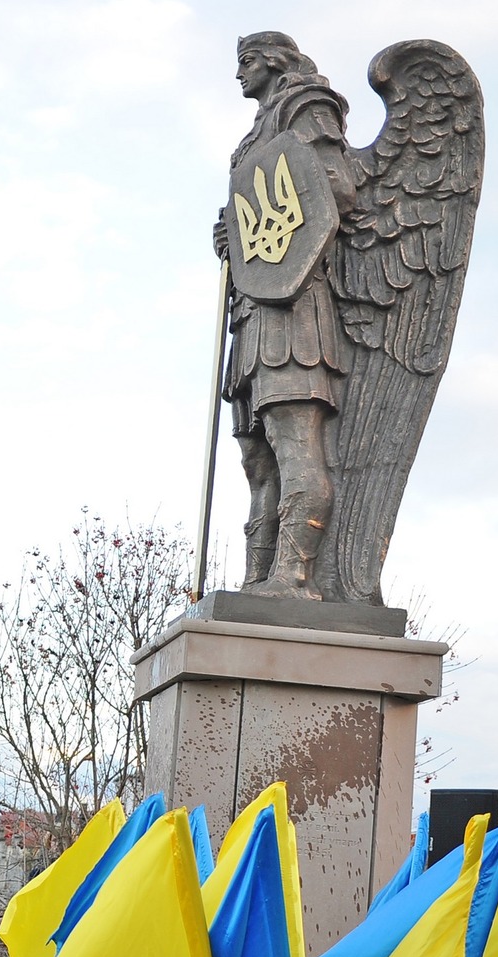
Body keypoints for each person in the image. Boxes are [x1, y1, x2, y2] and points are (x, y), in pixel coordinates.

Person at [215, 31, 357, 598]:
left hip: (295, 307)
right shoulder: (255, 133)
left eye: (246, 62)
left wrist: (261, 226)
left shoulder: (306, 107)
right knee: (257, 457)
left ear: (275, 61)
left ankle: (293, 579)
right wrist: (232, 231)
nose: (238, 74)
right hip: (252, 311)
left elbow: (336, 191)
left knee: (293, 440)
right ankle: (257, 579)